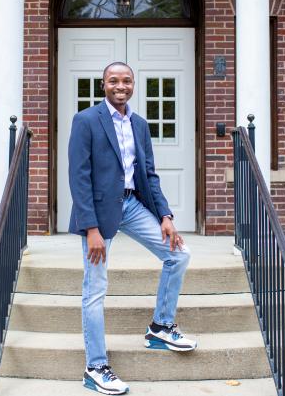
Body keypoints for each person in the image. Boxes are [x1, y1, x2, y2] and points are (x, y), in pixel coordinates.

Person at [68, 62, 197, 395]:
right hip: (98, 211)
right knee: (95, 287)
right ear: (103, 85)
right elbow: (78, 177)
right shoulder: (86, 121)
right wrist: (91, 228)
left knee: (178, 254)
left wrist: (165, 216)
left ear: (133, 85)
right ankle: (95, 366)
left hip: (131, 204)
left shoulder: (139, 124)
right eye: (114, 80)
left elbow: (149, 174)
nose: (120, 86)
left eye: (126, 81)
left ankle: (160, 327)